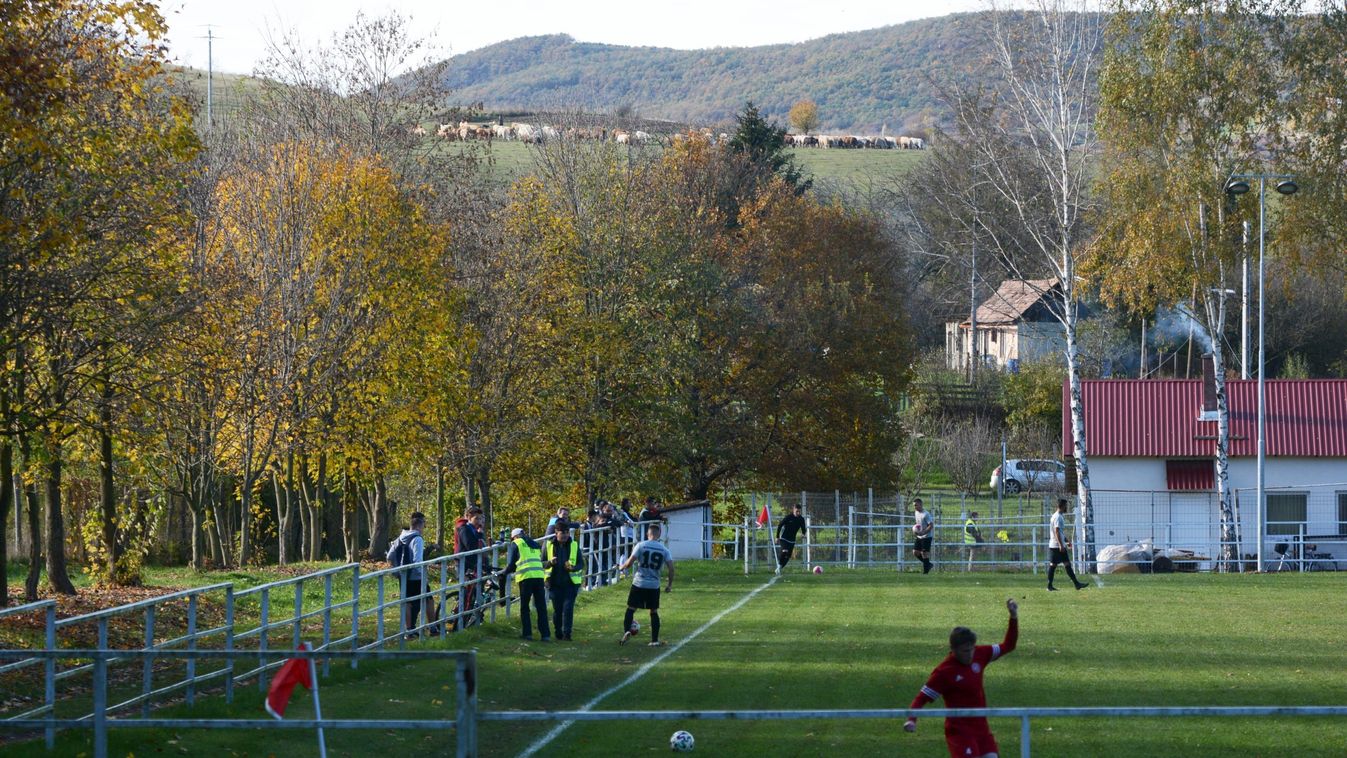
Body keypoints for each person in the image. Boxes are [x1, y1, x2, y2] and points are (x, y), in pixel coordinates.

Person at [903, 599, 1019, 758]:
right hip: (959, 732)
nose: (970, 654)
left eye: (971, 649)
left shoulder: (980, 653)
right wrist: (911, 720)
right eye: (965, 651)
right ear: (953, 650)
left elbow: (1009, 645)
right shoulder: (944, 672)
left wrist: (1013, 617)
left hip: (982, 729)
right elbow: (921, 698)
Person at [618, 523, 675, 646]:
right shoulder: (664, 549)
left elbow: (629, 563)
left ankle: (627, 631)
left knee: (631, 608)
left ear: (647, 534)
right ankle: (654, 640)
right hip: (654, 585)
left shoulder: (641, 545)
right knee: (653, 611)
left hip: (639, 582)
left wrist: (622, 567)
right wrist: (669, 585)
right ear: (659, 534)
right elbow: (671, 568)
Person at [501, 527, 551, 641]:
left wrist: (504, 573)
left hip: (525, 577)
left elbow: (512, 564)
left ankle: (527, 633)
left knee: (525, 607)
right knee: (541, 606)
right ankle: (545, 635)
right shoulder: (534, 544)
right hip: (538, 576)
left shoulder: (516, 543)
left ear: (515, 536)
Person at [545, 525, 583, 640]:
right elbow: (541, 563)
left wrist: (573, 568)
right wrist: (550, 563)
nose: (566, 535)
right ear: (556, 532)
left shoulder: (574, 545)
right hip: (554, 583)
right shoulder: (548, 545)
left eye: (567, 532)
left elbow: (581, 564)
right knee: (558, 609)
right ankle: (558, 631)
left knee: (568, 608)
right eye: (563, 532)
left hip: (570, 583)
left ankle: (567, 633)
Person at [392, 512, 426, 639]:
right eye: (424, 525)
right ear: (419, 526)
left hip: (403, 574)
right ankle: (412, 628)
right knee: (416, 603)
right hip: (415, 575)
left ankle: (408, 629)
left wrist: (396, 569)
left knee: (406, 602)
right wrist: (422, 571)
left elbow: (390, 555)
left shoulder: (400, 537)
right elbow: (418, 560)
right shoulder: (417, 539)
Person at [452, 507, 488, 628]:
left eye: (481, 518)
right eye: (476, 518)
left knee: (476, 590)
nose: (479, 521)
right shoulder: (464, 529)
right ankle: (459, 619)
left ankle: (473, 617)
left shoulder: (473, 529)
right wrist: (479, 534)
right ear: (468, 517)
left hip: (473, 564)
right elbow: (470, 545)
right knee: (467, 592)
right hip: (465, 564)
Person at [1048, 499, 1087, 591]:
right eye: (1066, 506)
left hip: (1056, 545)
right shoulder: (1058, 517)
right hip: (1057, 546)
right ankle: (1075, 584)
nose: (1067, 508)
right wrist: (1061, 545)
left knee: (1062, 564)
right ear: (1062, 506)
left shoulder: (1056, 516)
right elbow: (1056, 532)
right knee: (1056, 565)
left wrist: (1067, 541)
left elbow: (1060, 532)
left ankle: (1076, 584)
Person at [774, 504, 807, 575]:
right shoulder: (788, 517)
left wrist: (803, 534)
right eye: (797, 511)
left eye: (799, 511)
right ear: (793, 510)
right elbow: (780, 525)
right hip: (784, 538)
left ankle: (779, 568)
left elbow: (804, 528)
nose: (798, 513)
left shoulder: (801, 519)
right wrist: (777, 537)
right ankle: (779, 565)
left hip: (792, 540)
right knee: (784, 550)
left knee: (788, 557)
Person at [912, 498, 934, 574]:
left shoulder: (926, 514)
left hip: (927, 536)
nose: (914, 507)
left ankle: (925, 572)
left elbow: (931, 526)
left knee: (924, 553)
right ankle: (928, 564)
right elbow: (918, 524)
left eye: (916, 505)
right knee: (915, 552)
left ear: (921, 504)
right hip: (919, 536)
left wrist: (923, 532)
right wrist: (915, 530)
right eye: (914, 505)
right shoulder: (916, 512)